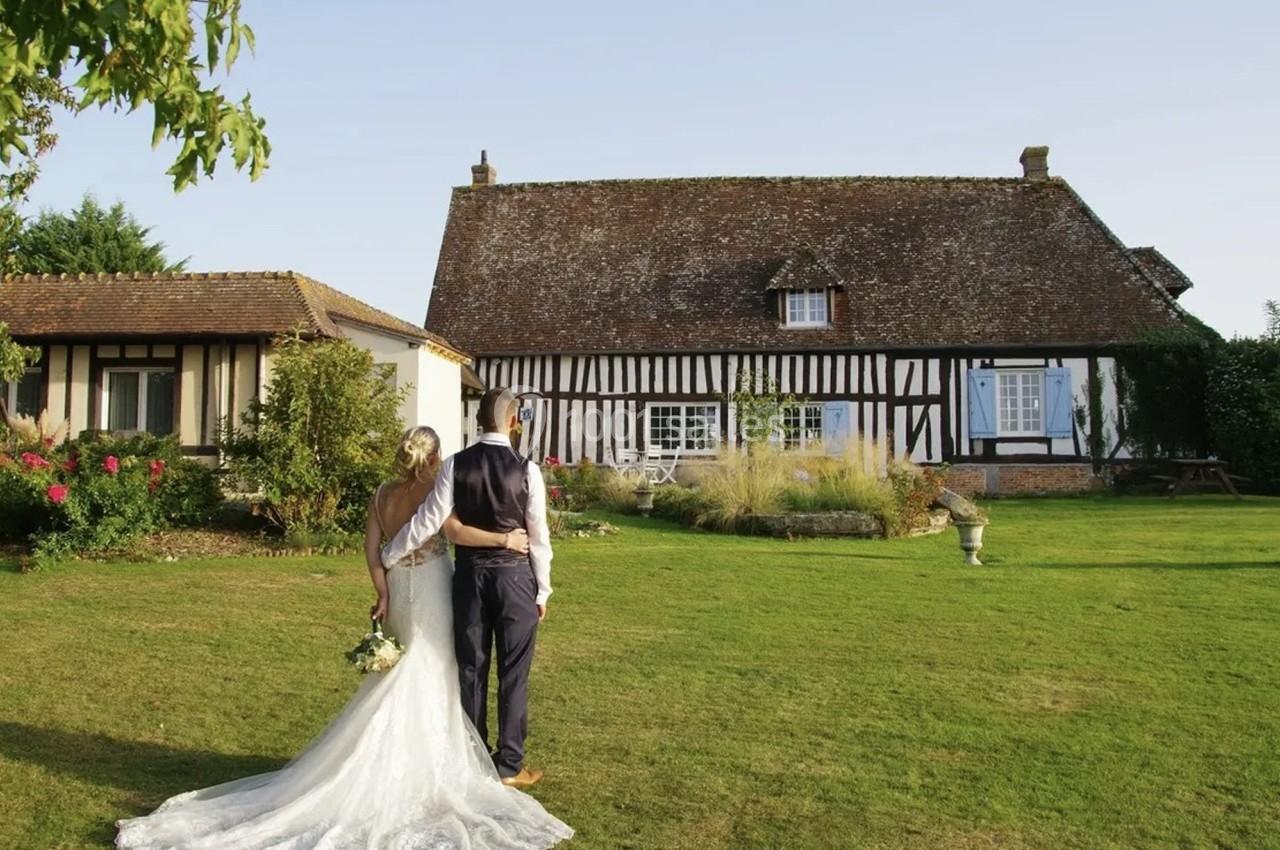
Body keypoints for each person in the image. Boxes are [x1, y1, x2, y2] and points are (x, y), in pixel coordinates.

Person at [114, 425, 573, 850]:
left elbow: (371, 549)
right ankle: (426, 765)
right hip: (433, 585)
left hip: (398, 590)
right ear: (433, 460)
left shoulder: (381, 495)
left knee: (411, 663)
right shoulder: (434, 489)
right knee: (432, 666)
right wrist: (505, 541)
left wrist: (382, 591)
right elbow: (450, 530)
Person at [382, 388, 553, 789]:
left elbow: (427, 521)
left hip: (470, 580)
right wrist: (542, 591)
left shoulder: (455, 465)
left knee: (471, 669)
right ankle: (509, 765)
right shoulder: (528, 471)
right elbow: (538, 536)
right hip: (515, 581)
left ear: (479, 422)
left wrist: (390, 555)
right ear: (512, 421)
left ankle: (473, 761)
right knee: (514, 673)